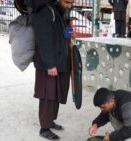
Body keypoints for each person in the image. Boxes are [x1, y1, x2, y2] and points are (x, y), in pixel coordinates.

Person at [32, 0, 74, 140]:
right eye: (67, 2)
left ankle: (50, 121)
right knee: (48, 96)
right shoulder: (45, 12)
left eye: (71, 3)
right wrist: (50, 64)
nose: (69, 6)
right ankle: (44, 128)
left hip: (59, 62)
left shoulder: (58, 13)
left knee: (56, 95)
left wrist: (69, 32)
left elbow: (61, 34)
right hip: (48, 64)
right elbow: (44, 40)